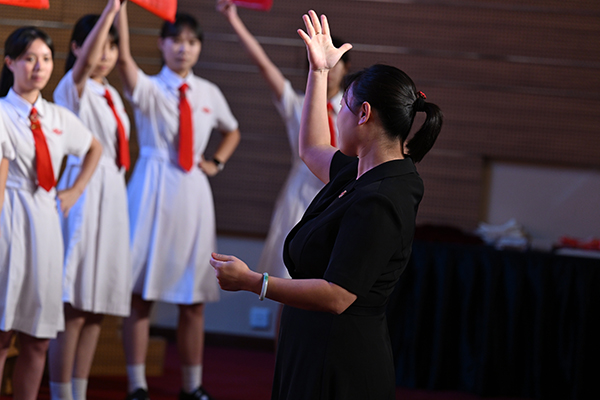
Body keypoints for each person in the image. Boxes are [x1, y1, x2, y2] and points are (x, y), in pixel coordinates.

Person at [210, 10, 443, 400]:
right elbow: (313, 147)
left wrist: (254, 282)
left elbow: (338, 295)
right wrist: (318, 72)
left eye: (344, 107)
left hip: (339, 359)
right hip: (313, 345)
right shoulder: (361, 171)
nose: (338, 116)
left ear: (364, 115)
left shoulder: (384, 196)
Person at [116, 2, 241, 400]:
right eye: (175, 41)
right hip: (151, 188)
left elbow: (232, 130)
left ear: (199, 47)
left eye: (191, 42)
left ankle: (192, 386)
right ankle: (136, 385)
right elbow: (124, 62)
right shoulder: (150, 87)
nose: (183, 49)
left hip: (192, 193)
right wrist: (118, 11)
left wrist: (216, 162)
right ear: (161, 44)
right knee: (140, 295)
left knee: (194, 297)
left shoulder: (209, 92)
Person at [0, 26, 102, 400]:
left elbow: (94, 148)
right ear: (10, 63)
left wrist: (75, 190)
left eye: (45, 59)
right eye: (29, 58)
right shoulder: (1, 113)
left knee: (39, 337)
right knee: (2, 333)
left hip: (45, 225)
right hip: (9, 223)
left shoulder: (57, 116)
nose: (38, 67)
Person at [217, 0, 349, 280]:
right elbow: (264, 65)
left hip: (339, 193)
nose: (329, 68)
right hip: (299, 195)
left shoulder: (352, 110)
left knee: (328, 275)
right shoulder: (297, 105)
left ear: (345, 67)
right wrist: (233, 20)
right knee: (287, 276)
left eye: (335, 63)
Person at [47, 2, 131, 400]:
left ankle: (78, 392)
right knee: (74, 306)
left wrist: (119, 18)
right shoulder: (72, 86)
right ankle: (61, 393)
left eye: (112, 47)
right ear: (79, 48)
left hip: (113, 196)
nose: (106, 55)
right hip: (83, 191)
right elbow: (83, 66)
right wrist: (111, 10)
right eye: (99, 46)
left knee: (97, 306)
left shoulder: (111, 92)